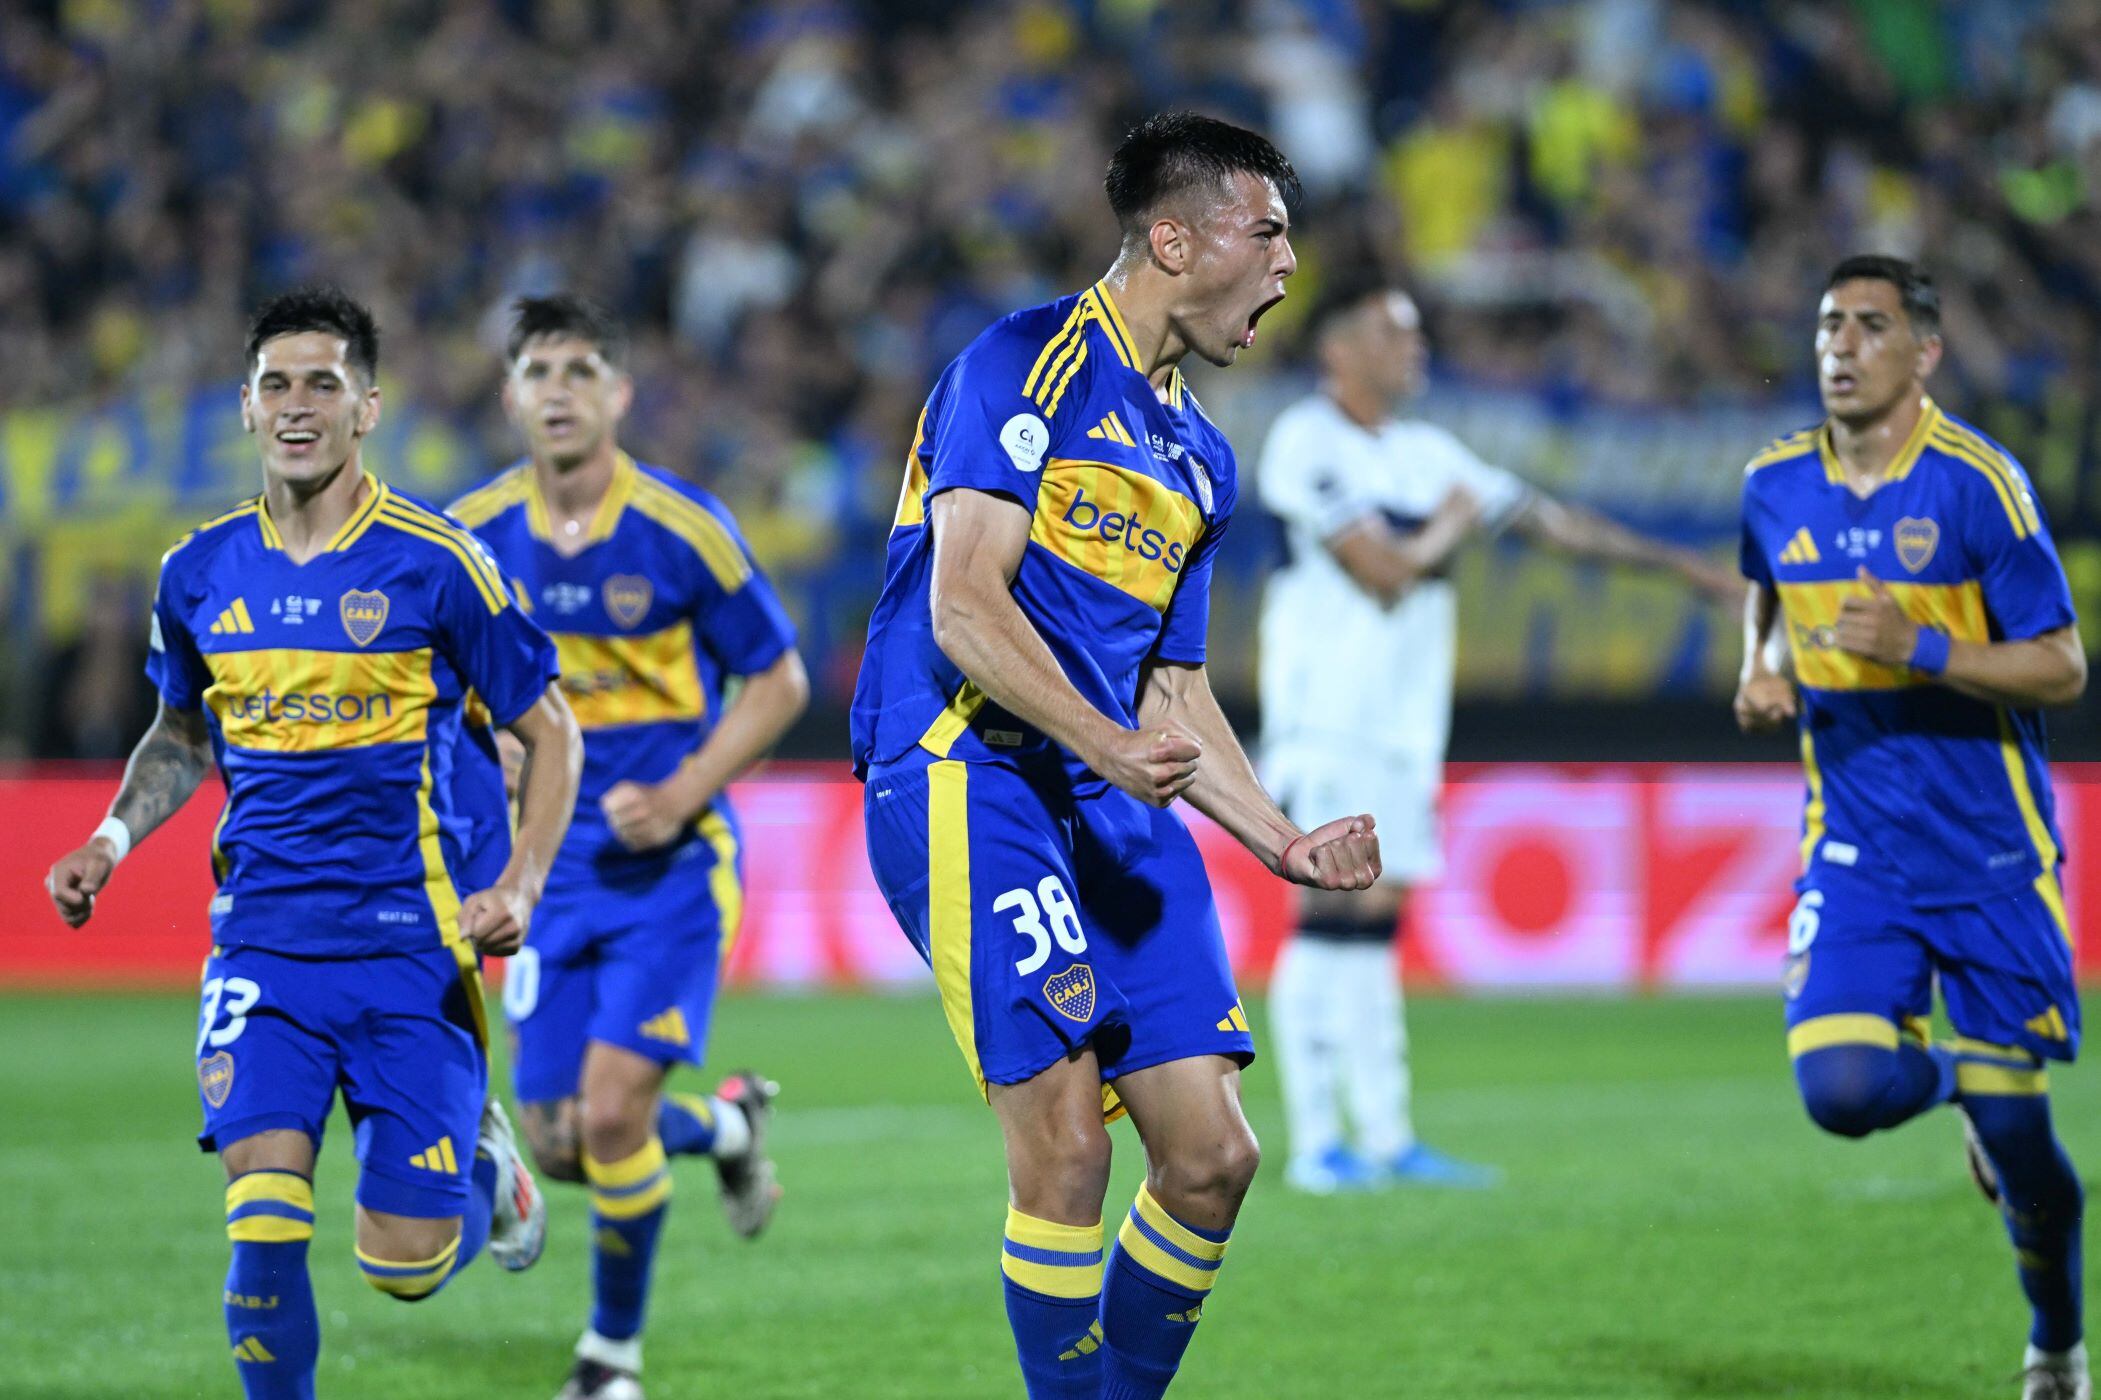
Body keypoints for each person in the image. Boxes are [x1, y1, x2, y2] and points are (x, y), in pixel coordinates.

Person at [851, 110, 1381, 1400]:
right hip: (969, 772)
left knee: (1212, 1160)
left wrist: (1281, 838)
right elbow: (963, 607)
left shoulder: (1199, 455)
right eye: (1266, 234)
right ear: (1172, 236)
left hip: (1111, 787)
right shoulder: (1017, 366)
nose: (1286, 268)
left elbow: (1174, 685)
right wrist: (1101, 738)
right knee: (1068, 1157)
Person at [43, 286, 583, 1400]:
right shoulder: (196, 572)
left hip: (407, 947)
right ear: (244, 408)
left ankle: (481, 1165)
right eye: (275, 384)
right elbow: (181, 732)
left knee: (406, 1268)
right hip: (263, 948)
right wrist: (110, 835)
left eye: (321, 384)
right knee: (263, 1223)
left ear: (367, 406)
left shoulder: (435, 563)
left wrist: (523, 880)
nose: (297, 405)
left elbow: (551, 726)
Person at [1257, 279, 1741, 1193]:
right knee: (1326, 913)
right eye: (1393, 334)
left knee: (1376, 921)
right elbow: (1383, 570)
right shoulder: (1305, 441)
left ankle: (1388, 1135)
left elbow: (1554, 526)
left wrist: (1684, 570)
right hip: (1327, 718)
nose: (1416, 349)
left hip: (1401, 728)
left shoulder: (1426, 450)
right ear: (1338, 353)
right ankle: (1320, 1142)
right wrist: (1448, 521)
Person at [1735, 255, 2088, 1400]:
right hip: (1855, 843)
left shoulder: (1980, 483)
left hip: (1990, 853)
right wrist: (1761, 665)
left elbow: (2061, 664)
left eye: (1869, 326)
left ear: (1923, 352)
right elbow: (1768, 584)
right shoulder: (1773, 481)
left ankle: (2054, 1344)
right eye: (1828, 323)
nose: (1839, 345)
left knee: (2029, 1151)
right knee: (1837, 1089)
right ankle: (1963, 1096)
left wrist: (1924, 647)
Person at [450, 294, 807, 1400]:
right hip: (545, 877)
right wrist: (487, 747)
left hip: (671, 871)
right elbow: (438, 693)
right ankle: (727, 1126)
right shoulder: (466, 538)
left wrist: (686, 785)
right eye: (537, 370)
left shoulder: (681, 526)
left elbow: (780, 678)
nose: (557, 389)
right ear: (509, 395)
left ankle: (610, 1356)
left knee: (609, 1112)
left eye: (581, 369)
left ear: (619, 394)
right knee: (560, 1140)